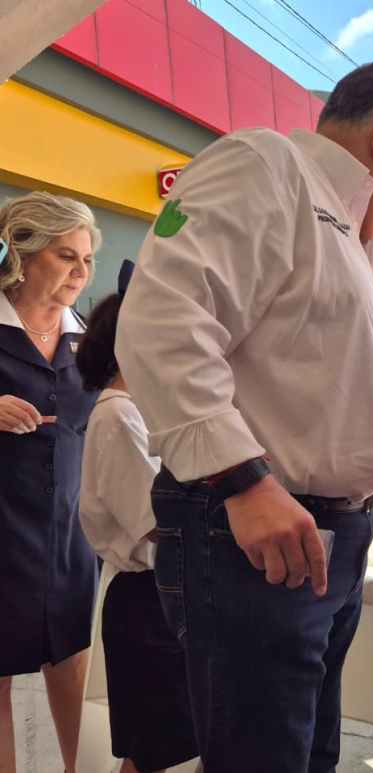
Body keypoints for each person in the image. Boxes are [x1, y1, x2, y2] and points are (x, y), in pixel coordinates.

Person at [115, 57, 373, 773]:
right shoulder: (266, 167)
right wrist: (242, 480)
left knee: (309, 753)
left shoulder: (353, 236)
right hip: (254, 532)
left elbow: (327, 390)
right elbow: (163, 322)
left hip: (324, 538)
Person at [77, 263, 198, 773]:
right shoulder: (118, 415)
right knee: (153, 753)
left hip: (163, 595)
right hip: (148, 603)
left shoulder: (138, 409)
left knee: (168, 746)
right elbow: (154, 520)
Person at [0, 190, 101, 773]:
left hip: (69, 531)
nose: (80, 272)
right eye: (65, 256)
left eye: (86, 259)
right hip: (2, 529)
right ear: (22, 253)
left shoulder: (88, 338)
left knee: (72, 661)